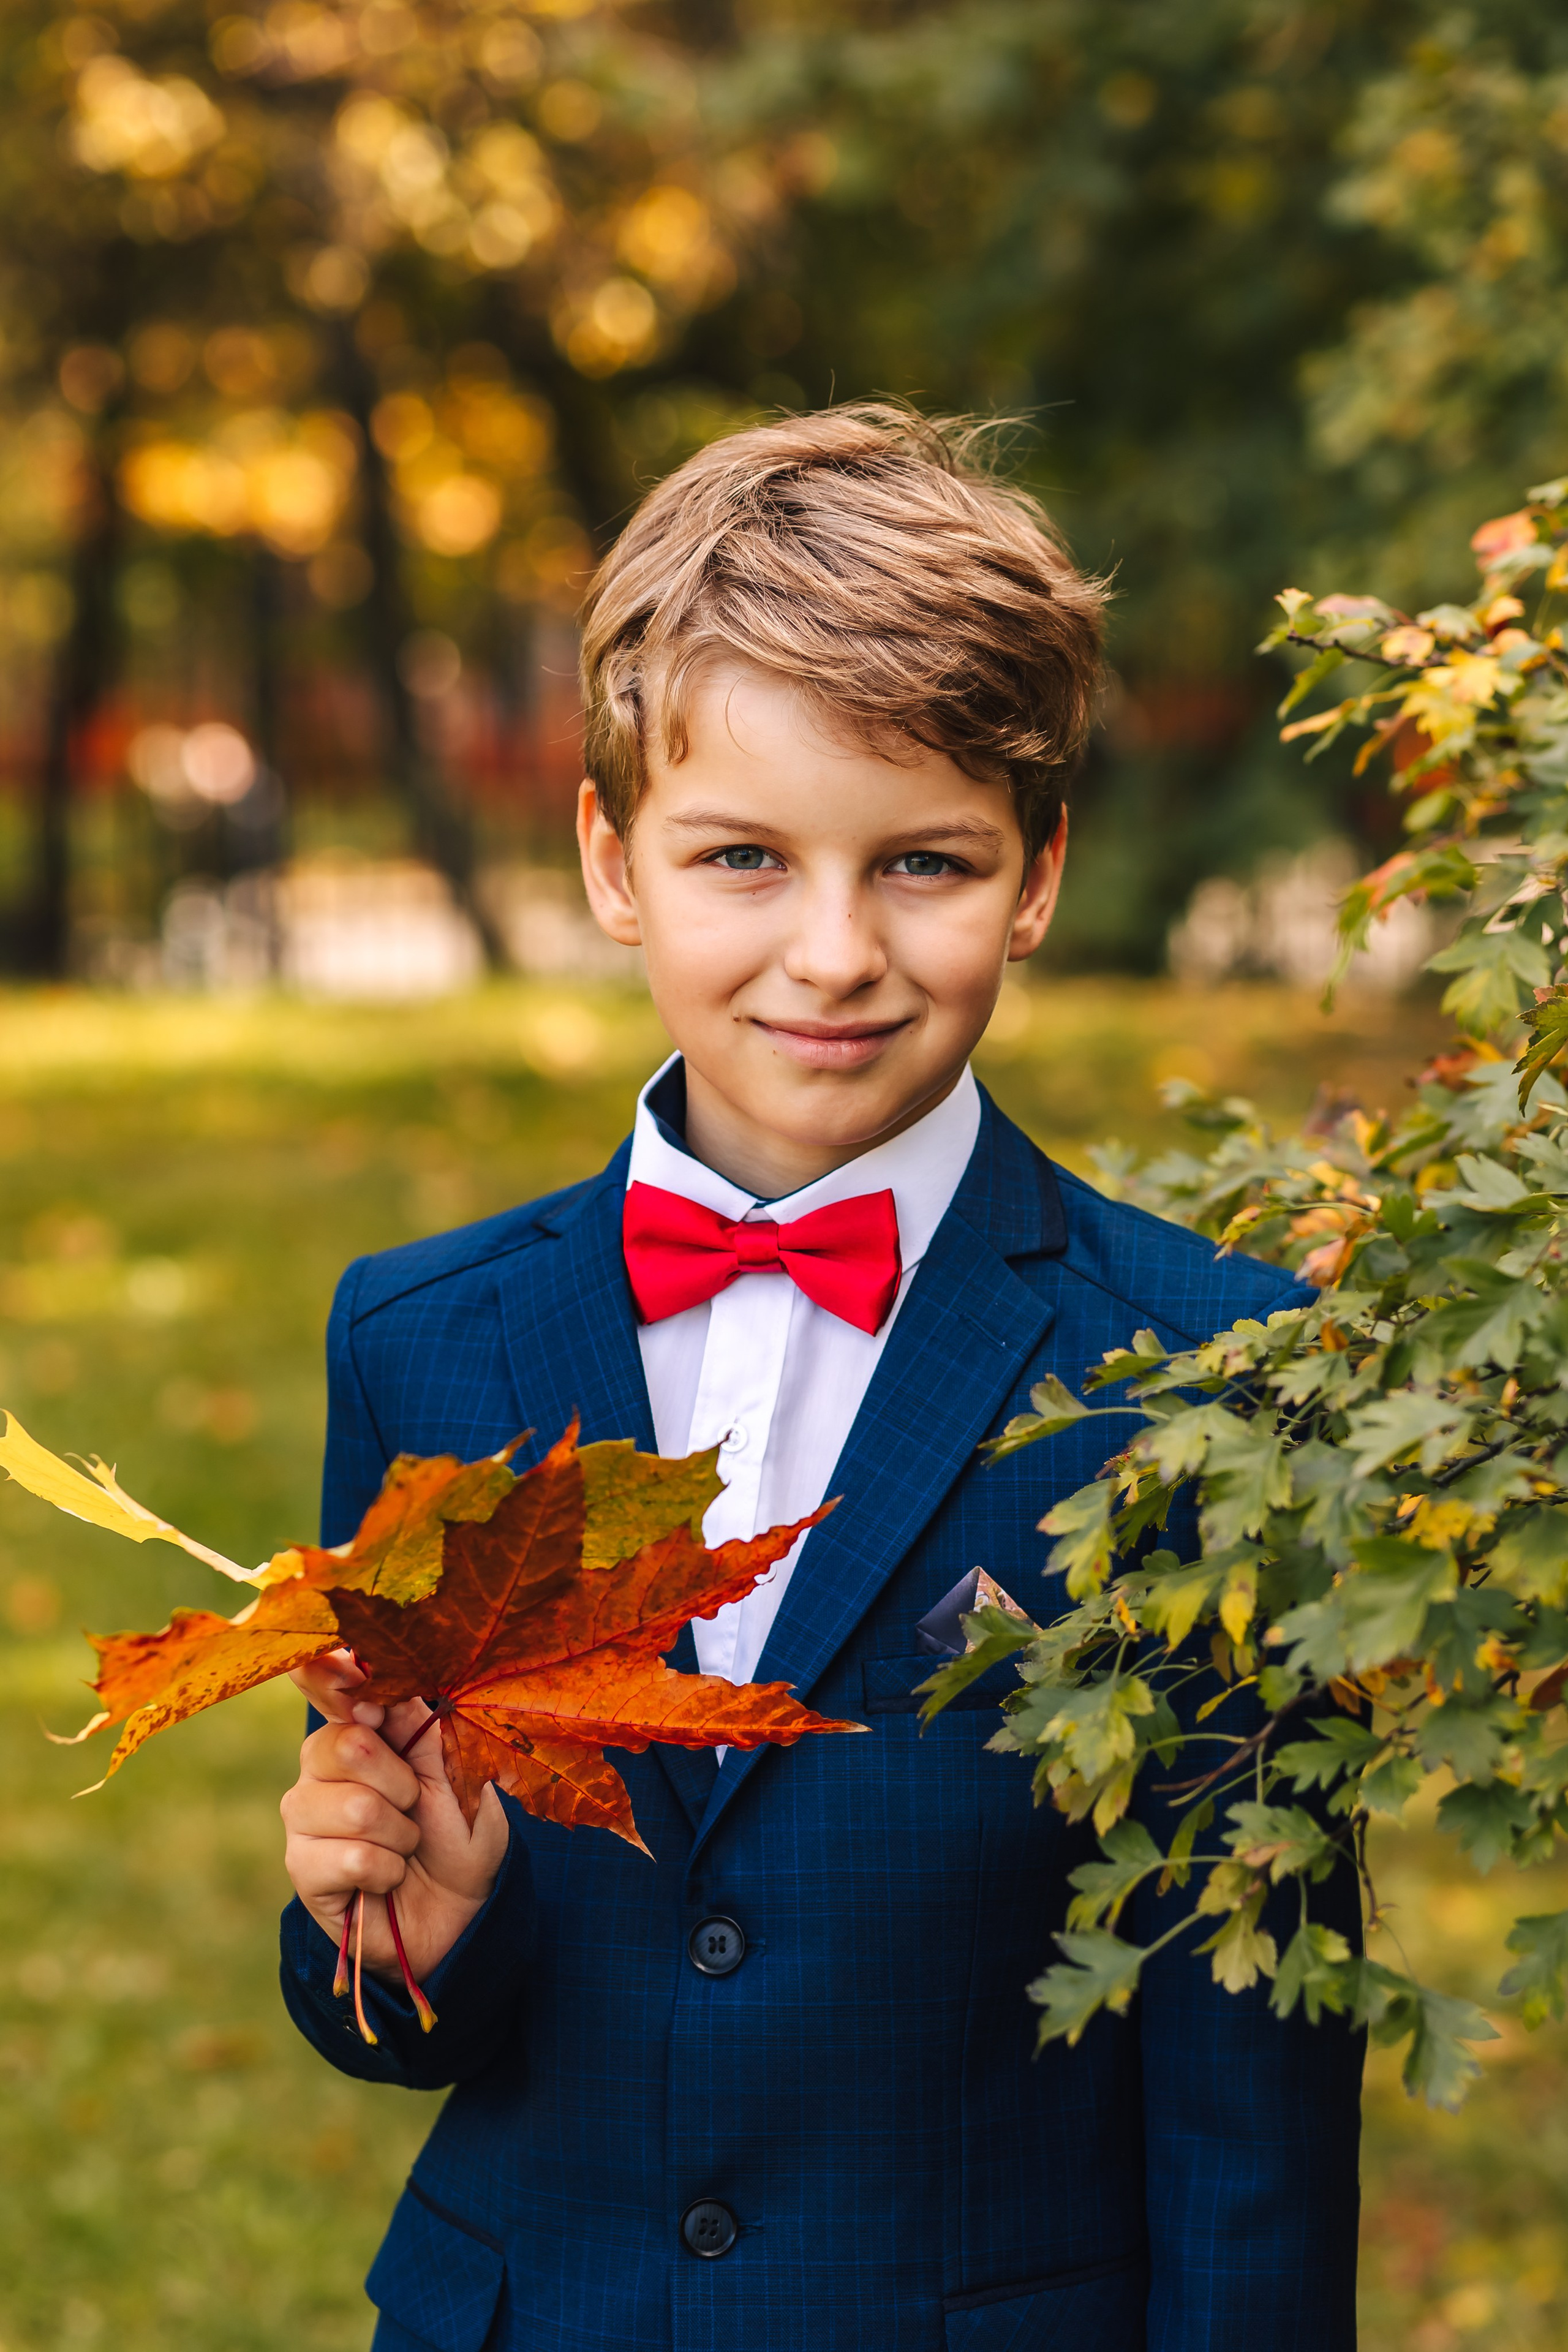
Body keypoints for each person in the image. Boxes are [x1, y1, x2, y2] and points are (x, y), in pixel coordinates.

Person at [278, 405, 1362, 2352]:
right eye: (746, 859)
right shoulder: (417, 1339)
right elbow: (391, 2002)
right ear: (615, 860)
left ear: (1037, 875)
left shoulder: (1210, 1368)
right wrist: (411, 1932)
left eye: (925, 862)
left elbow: (1252, 2102)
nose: (836, 953)